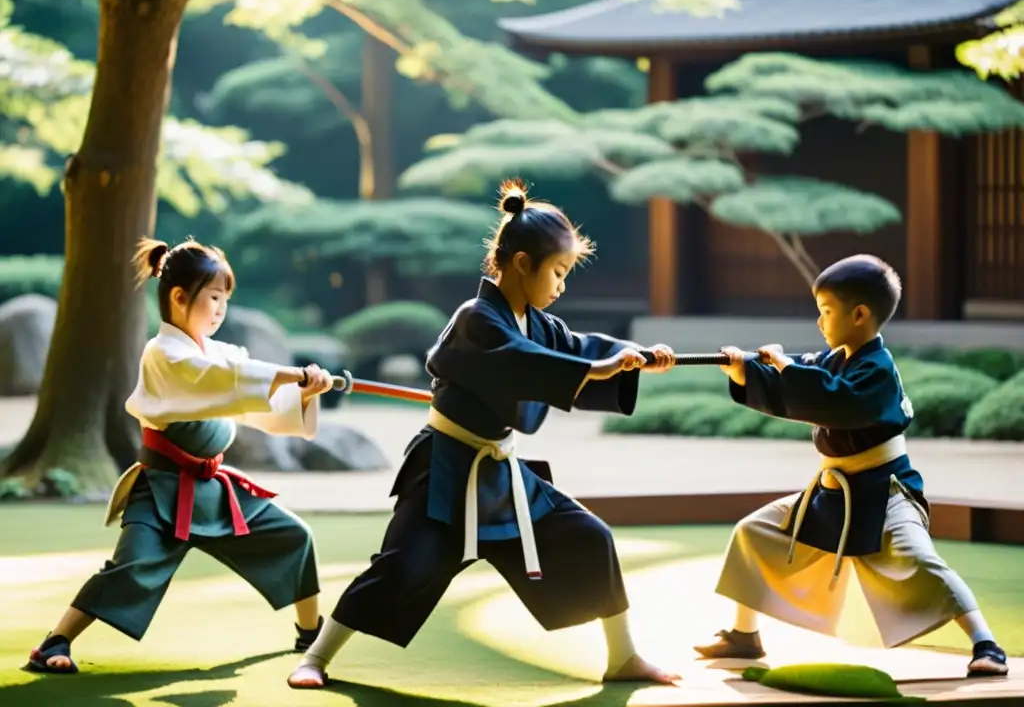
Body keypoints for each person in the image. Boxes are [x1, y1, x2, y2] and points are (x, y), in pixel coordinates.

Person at [288, 180, 681, 689]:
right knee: (403, 566)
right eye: (557, 272)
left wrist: (634, 357)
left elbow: (580, 347)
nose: (561, 285)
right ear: (521, 263)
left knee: (589, 537)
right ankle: (316, 657)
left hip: (499, 473)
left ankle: (623, 656)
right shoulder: (476, 319)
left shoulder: (538, 323)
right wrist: (593, 370)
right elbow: (527, 365)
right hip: (445, 468)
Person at [27, 237, 334, 675]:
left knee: (294, 536)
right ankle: (54, 642)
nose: (221, 308)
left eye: (225, 299)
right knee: (130, 568)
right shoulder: (164, 353)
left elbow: (251, 394)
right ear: (178, 297)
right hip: (161, 491)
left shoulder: (221, 353)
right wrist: (292, 375)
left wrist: (304, 390)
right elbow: (219, 380)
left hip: (215, 488)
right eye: (213, 297)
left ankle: (308, 633)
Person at [693, 254, 1009, 678]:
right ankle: (744, 635)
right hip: (833, 489)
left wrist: (785, 366)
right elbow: (801, 385)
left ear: (859, 314)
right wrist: (744, 370)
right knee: (755, 532)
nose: (820, 322)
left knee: (919, 558)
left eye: (826, 312)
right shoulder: (834, 359)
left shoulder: (877, 369)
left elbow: (832, 400)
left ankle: (986, 642)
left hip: (885, 488)